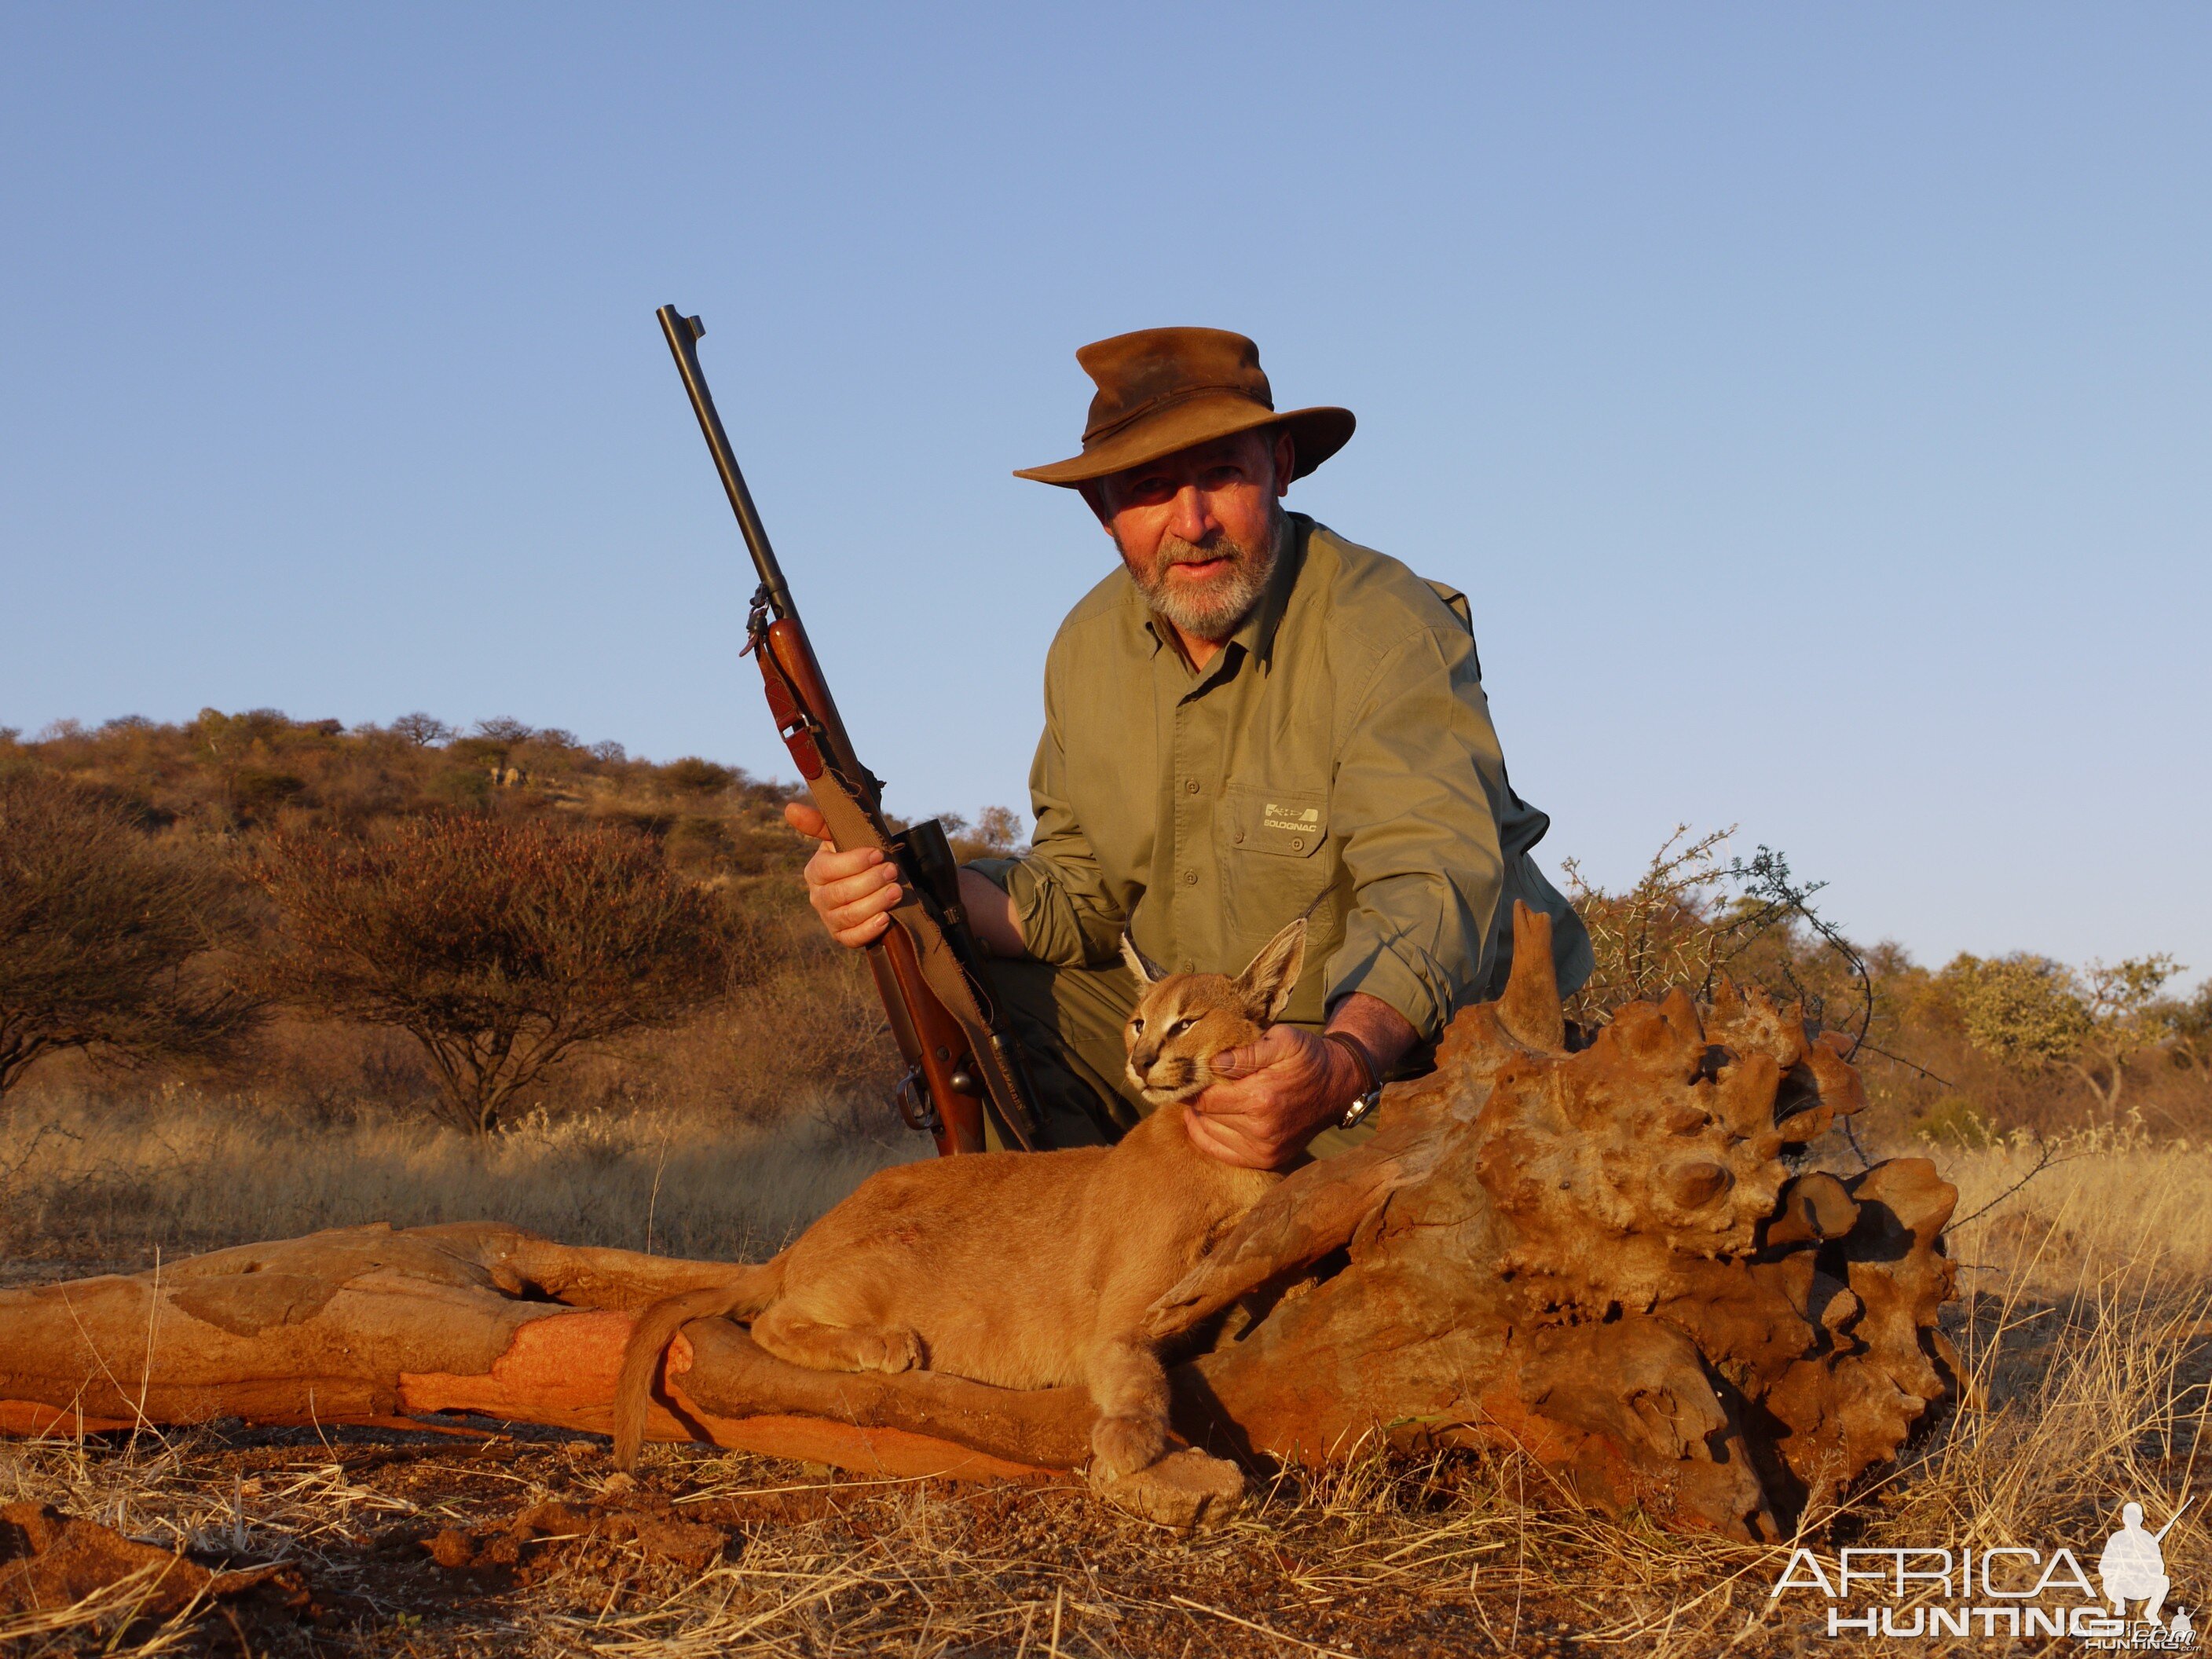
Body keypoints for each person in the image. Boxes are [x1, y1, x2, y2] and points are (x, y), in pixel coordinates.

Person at [789, 327, 1590, 1164]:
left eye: (1221, 476)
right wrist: (902, 885)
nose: (1192, 522)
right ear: (1102, 511)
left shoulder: (1383, 625)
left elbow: (1430, 882)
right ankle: (1078, 1271)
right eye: (1149, 489)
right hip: (1196, 1035)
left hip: (1395, 1044)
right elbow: (1078, 899)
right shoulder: (1085, 647)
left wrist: (1341, 1065)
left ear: (1279, 467)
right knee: (968, 991)